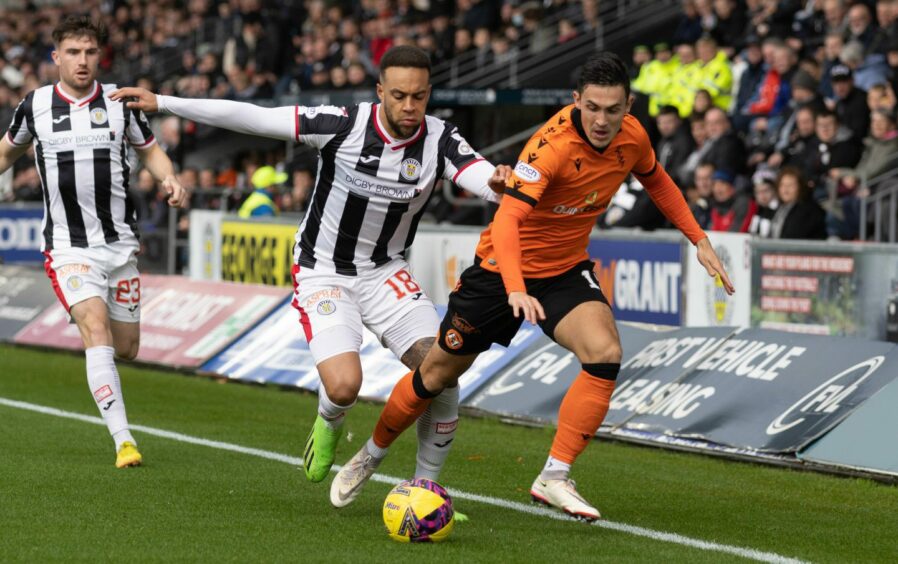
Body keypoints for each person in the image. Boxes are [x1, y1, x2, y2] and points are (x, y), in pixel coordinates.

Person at [331, 52, 734, 519]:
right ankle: (372, 454)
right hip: (501, 272)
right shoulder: (551, 148)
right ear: (576, 100)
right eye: (593, 108)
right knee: (436, 375)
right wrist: (516, 286)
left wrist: (699, 239)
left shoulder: (634, 136)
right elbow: (506, 222)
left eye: (614, 109)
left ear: (629, 105)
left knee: (604, 353)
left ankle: (555, 475)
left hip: (564, 271)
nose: (602, 120)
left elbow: (658, 182)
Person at [112, 45, 509, 491]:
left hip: (385, 273)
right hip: (323, 271)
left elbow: (483, 177)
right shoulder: (342, 124)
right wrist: (166, 102)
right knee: (344, 387)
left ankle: (424, 489)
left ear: (429, 94)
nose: (409, 106)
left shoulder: (440, 138)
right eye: (398, 95)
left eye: (419, 96)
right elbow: (252, 117)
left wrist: (498, 182)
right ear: (380, 91)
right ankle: (329, 420)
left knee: (443, 371)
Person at [0, 16, 186, 467]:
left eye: (88, 52)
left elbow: (150, 150)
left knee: (127, 348)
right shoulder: (35, 105)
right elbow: (6, 151)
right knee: (96, 329)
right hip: (68, 246)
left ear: (97, 56)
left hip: (120, 245)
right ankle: (124, 441)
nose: (81, 61)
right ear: (56, 57)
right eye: (72, 52)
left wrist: (170, 178)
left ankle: (90, 323)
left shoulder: (120, 102)